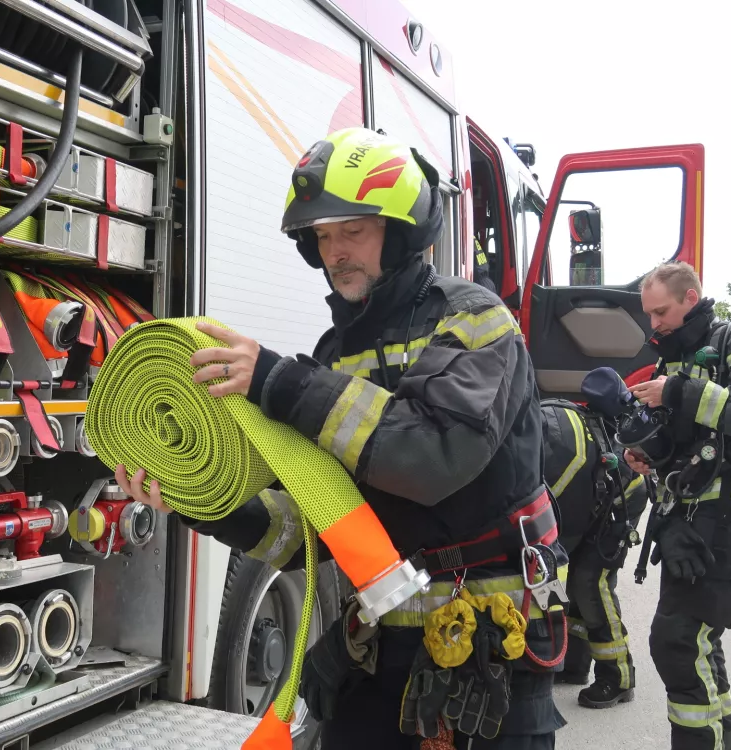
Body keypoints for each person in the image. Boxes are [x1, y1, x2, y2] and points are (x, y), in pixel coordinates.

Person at [114, 127, 567, 748]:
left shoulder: (474, 319)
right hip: (384, 644)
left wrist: (279, 379)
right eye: (322, 236)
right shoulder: (335, 354)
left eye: (352, 230)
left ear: (402, 230)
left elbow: (430, 456)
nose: (335, 252)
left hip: (493, 646)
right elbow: (315, 528)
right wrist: (199, 501)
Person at [625, 261, 731, 750]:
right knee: (696, 641)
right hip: (689, 519)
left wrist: (679, 391)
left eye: (661, 312)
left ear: (691, 298)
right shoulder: (671, 360)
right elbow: (685, 438)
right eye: (648, 315)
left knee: (678, 640)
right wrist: (647, 452)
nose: (654, 324)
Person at [540, 396, 648, 709]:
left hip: (620, 498)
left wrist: (545, 596)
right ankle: (573, 664)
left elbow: (557, 545)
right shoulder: (535, 441)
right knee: (568, 580)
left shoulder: (552, 462)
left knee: (589, 583)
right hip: (589, 495)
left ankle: (618, 677)